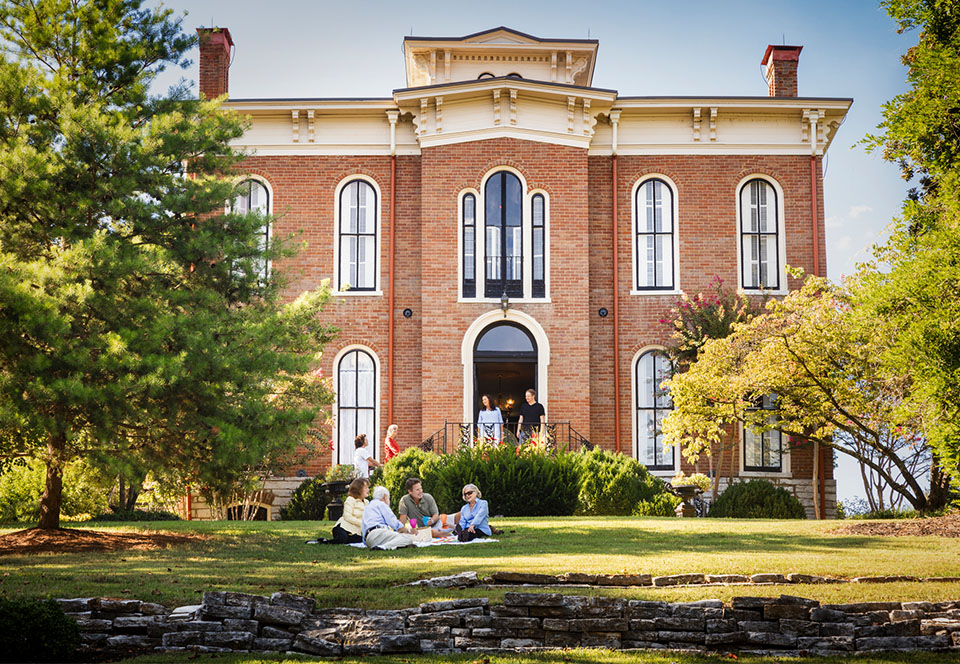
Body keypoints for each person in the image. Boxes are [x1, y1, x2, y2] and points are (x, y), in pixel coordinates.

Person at [361, 486, 416, 550]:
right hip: (378, 534)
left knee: (395, 538)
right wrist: (407, 531)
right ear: (384, 496)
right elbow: (393, 523)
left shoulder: (368, 506)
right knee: (407, 539)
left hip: (368, 539)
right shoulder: (381, 504)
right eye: (388, 498)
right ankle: (383, 547)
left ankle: (381, 547)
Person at [331, 478, 369, 544]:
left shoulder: (367, 502)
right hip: (342, 528)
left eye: (368, 487)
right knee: (342, 539)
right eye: (365, 488)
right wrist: (362, 523)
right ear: (358, 489)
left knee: (362, 540)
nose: (368, 490)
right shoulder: (350, 499)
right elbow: (347, 517)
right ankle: (323, 541)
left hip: (354, 532)